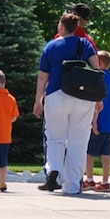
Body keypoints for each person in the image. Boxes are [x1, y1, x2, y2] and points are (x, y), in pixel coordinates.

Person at [33, 11, 99, 195]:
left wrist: (38, 99)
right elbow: (97, 68)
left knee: (55, 138)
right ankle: (72, 186)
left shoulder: (51, 46)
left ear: (61, 26)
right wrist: (99, 98)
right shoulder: (85, 44)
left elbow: (42, 76)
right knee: (78, 142)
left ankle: (54, 168)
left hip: (56, 94)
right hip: (82, 97)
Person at [85, 50, 110, 191]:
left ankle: (90, 179)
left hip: (99, 120)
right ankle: (105, 182)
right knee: (106, 154)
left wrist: (94, 122)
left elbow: (98, 102)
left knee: (89, 152)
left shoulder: (100, 78)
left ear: (99, 62)